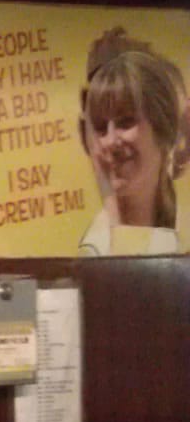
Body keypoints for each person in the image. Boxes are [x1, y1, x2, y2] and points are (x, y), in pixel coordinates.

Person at [77, 29, 189, 256]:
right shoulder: (95, 246)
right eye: (100, 128)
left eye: (125, 122)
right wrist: (111, 206)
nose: (110, 141)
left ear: (162, 128)